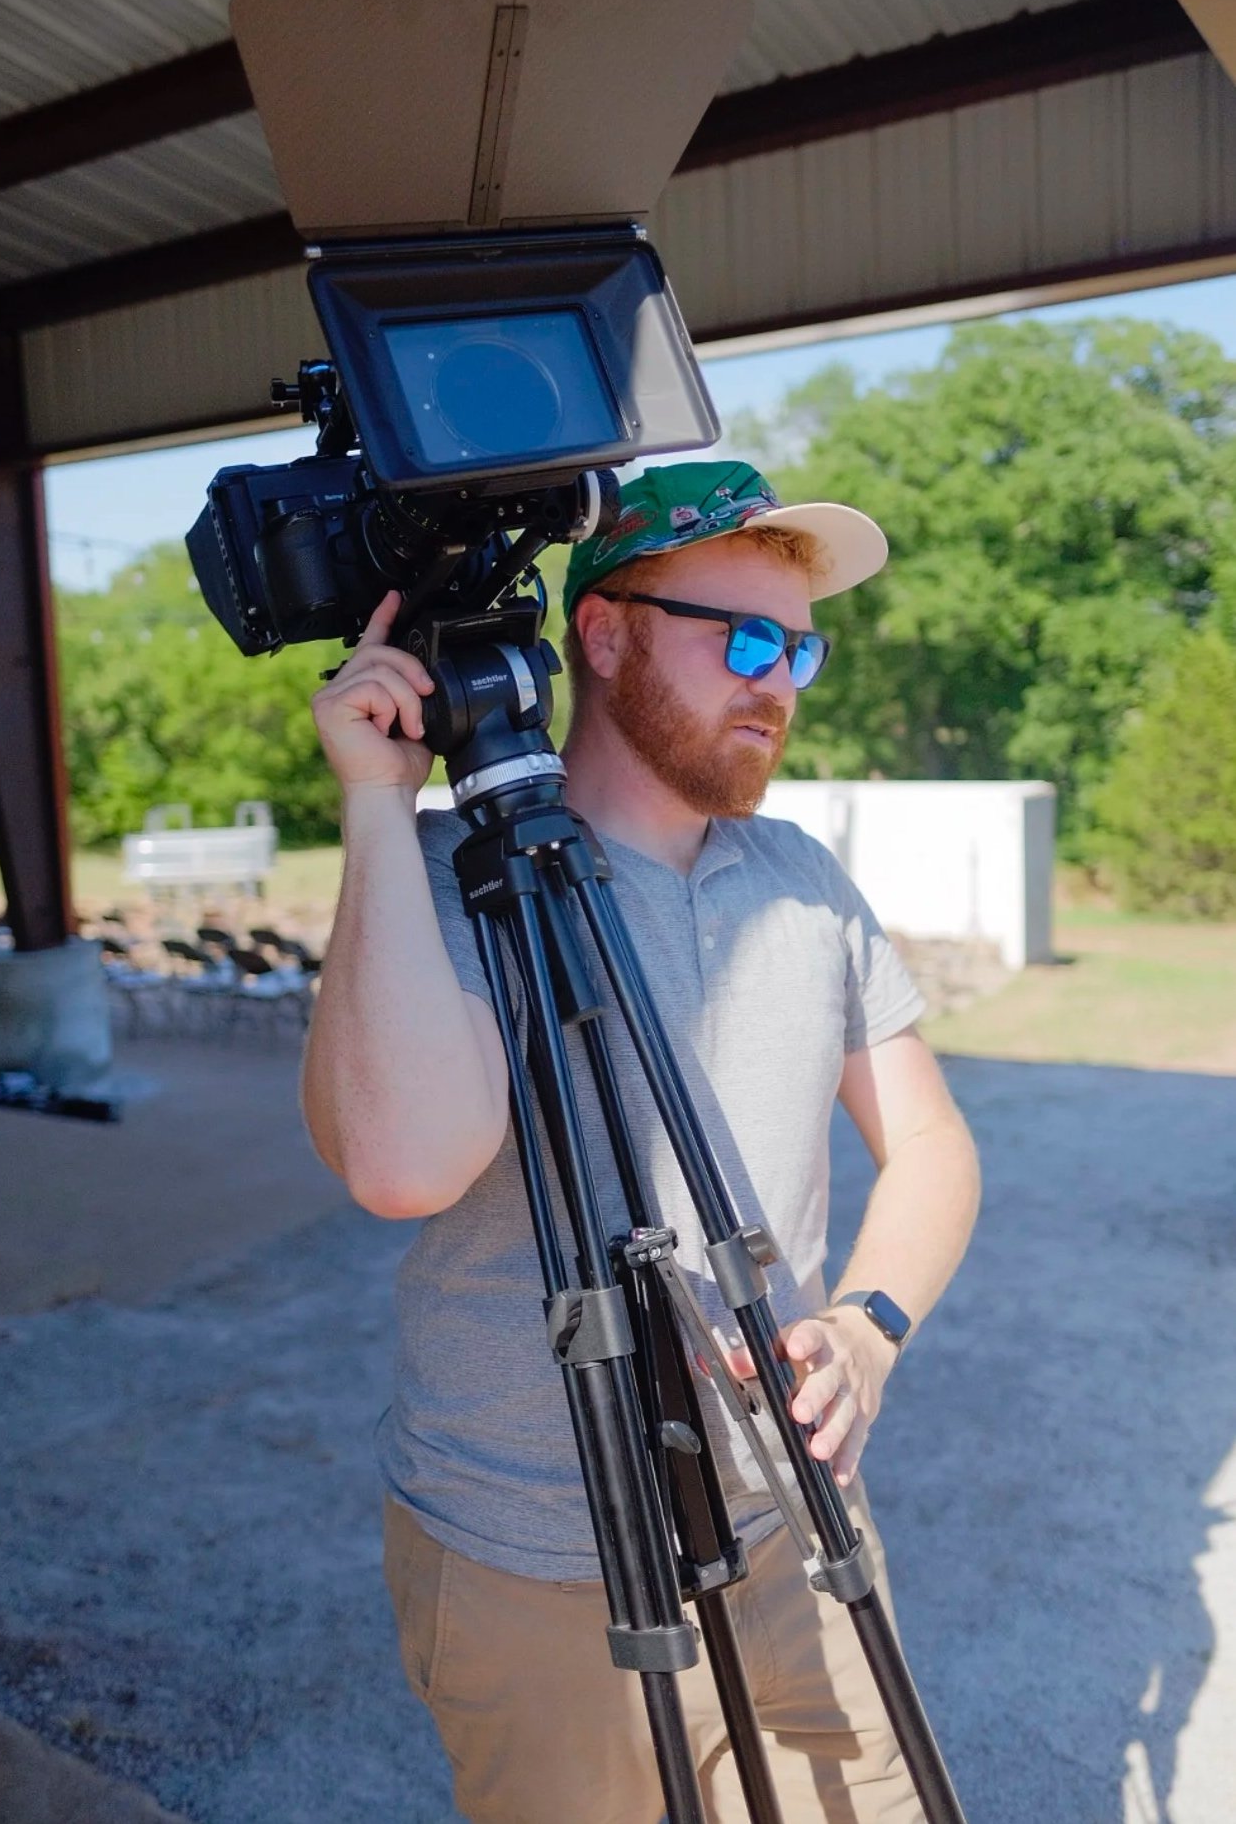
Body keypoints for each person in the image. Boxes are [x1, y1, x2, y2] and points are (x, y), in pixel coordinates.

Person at [302, 460, 981, 1824]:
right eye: (741, 638)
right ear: (603, 634)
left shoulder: (803, 879)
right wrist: (379, 805)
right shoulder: (448, 881)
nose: (777, 680)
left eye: (799, 646)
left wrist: (866, 1327)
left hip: (795, 1523)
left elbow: (934, 1144)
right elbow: (399, 1164)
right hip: (537, 1562)